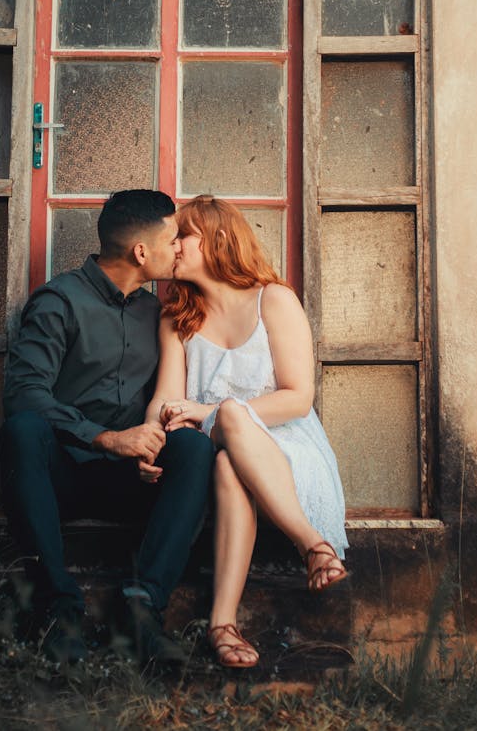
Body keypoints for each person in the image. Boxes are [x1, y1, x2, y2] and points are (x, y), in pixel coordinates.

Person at [0, 189, 215, 666]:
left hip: (131, 479)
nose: (179, 246)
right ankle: (59, 609)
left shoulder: (156, 312)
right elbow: (24, 394)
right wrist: (108, 439)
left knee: (194, 451)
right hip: (64, 474)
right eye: (173, 238)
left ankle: (142, 609)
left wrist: (147, 443)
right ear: (141, 252)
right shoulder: (59, 301)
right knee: (21, 432)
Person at [146, 195, 348, 669]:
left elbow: (298, 397)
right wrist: (149, 432)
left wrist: (205, 410)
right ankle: (297, 562)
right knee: (226, 445)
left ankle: (296, 557)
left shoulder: (273, 299)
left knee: (231, 432)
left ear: (216, 239)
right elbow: (164, 397)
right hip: (223, 446)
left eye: (181, 236)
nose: (170, 246)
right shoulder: (176, 316)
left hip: (288, 447)